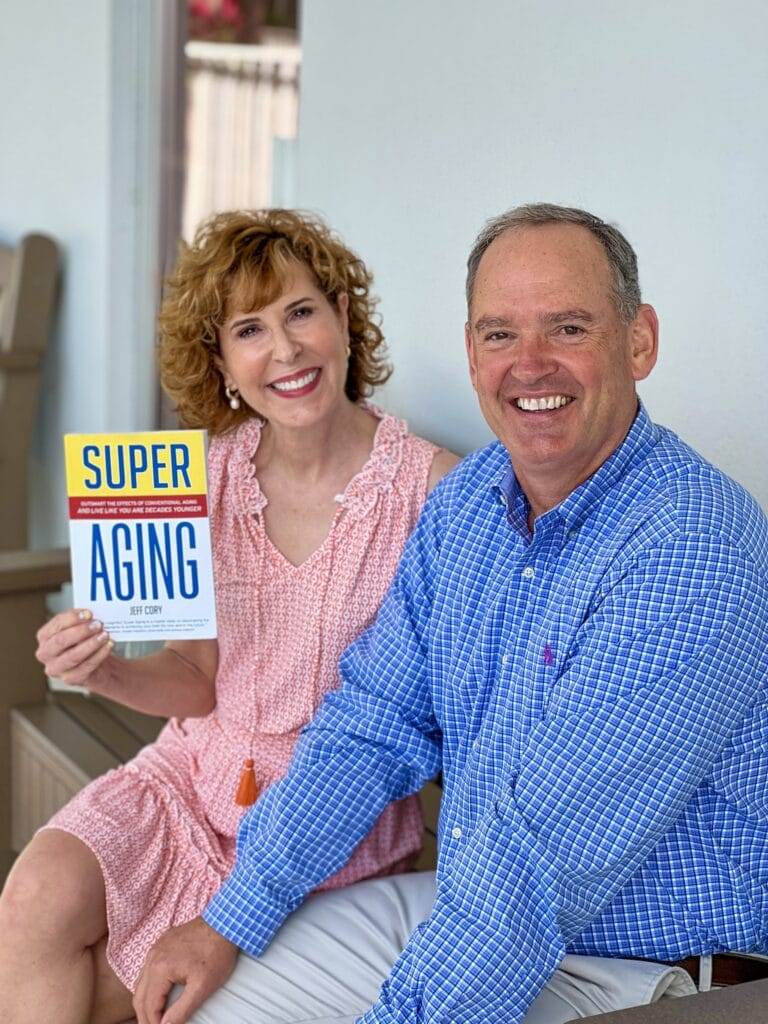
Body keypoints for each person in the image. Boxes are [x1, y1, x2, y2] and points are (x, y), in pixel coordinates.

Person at [132, 203, 768, 1024]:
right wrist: (233, 914)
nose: (530, 365)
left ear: (638, 340)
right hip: (475, 902)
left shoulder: (691, 542)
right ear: (472, 352)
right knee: (213, 1002)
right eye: (500, 334)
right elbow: (371, 722)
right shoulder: (468, 503)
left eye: (568, 328)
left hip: (644, 974)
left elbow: (538, 862)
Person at [0, 209, 459, 1024]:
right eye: (249, 328)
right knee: (31, 903)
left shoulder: (433, 491)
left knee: (122, 995)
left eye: (301, 311)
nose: (283, 350)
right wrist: (103, 669)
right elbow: (197, 684)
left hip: (321, 829)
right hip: (188, 779)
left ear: (344, 318)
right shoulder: (197, 477)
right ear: (221, 361)